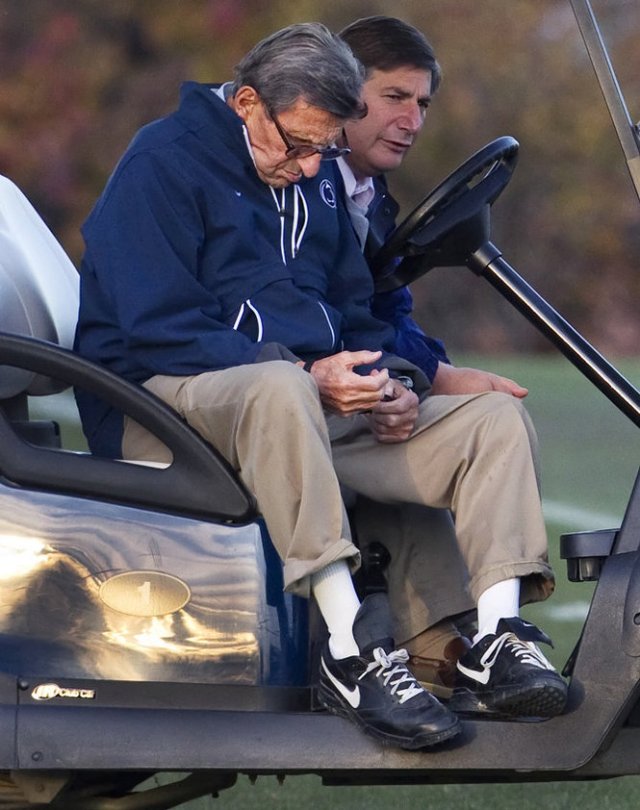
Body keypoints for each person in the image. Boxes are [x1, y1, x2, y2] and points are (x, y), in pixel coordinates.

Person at [74, 19, 566, 741]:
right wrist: (306, 373)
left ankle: (495, 642)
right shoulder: (162, 163)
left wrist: (391, 381)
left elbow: (352, 311)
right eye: (299, 145)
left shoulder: (312, 180)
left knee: (488, 421)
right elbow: (161, 325)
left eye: (325, 150)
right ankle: (351, 647)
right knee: (281, 389)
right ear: (246, 104)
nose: (310, 167)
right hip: (164, 402)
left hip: (297, 404)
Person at [336, 16, 560, 714]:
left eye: (423, 104)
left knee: (490, 412)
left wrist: (434, 372)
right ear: (343, 91)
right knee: (489, 422)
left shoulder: (369, 201)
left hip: (355, 397)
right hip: (301, 403)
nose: (411, 120)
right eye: (395, 97)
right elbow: (325, 321)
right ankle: (478, 643)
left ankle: (481, 640)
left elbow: (388, 315)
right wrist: (428, 377)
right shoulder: (304, 192)